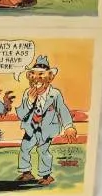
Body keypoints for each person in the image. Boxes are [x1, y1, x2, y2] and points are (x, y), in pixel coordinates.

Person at [16, 55, 76, 186]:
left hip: (46, 129)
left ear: (49, 77)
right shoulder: (27, 93)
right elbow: (20, 114)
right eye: (33, 75)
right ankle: (26, 173)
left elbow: (62, 109)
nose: (36, 78)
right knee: (25, 147)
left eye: (41, 75)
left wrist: (68, 126)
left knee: (43, 151)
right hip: (31, 128)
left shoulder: (55, 94)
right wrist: (29, 101)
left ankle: (46, 176)